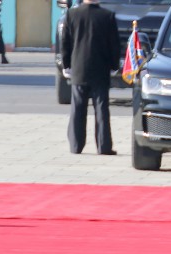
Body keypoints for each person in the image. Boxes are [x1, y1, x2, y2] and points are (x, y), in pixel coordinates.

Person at [60, 0, 120, 155]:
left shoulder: (72, 14)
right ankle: (104, 146)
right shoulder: (107, 16)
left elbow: (65, 42)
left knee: (77, 109)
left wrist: (67, 64)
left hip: (79, 68)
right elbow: (114, 44)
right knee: (101, 109)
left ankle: (76, 145)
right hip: (100, 69)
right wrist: (114, 65)